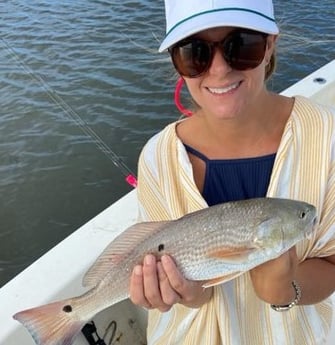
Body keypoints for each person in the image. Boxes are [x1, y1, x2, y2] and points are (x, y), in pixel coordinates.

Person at [129, 0, 335, 344]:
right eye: (195, 53)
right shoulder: (157, 157)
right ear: (176, 63)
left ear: (270, 44)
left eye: (241, 45)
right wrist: (186, 294)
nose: (220, 69)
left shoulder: (327, 138)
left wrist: (286, 288)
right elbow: (193, 288)